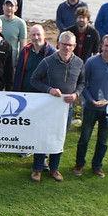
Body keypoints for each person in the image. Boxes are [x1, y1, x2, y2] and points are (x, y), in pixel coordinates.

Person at [29, 31, 85, 182]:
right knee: (43, 135)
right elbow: (34, 80)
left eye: (70, 45)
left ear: (74, 46)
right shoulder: (48, 61)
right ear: (58, 44)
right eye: (64, 44)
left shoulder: (79, 63)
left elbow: (82, 83)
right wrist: (49, 89)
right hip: (48, 107)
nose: (67, 48)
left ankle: (54, 168)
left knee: (59, 137)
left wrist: (76, 94)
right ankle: (37, 169)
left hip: (67, 108)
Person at [72, 35, 108, 178]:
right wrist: (91, 100)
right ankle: (79, 165)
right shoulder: (91, 62)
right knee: (84, 138)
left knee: (103, 140)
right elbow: (82, 84)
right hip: (91, 108)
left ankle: (97, 166)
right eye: (106, 45)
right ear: (101, 46)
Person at [13, 24, 56, 92]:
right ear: (30, 36)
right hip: (25, 93)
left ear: (44, 35)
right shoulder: (25, 51)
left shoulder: (52, 53)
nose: (36, 37)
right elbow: (18, 73)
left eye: (38, 34)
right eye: (33, 35)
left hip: (44, 94)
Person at [0, 0, 27, 65]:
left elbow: (23, 45)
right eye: (7, 5)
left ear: (16, 8)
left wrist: (20, 61)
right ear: (3, 7)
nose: (9, 8)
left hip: (12, 59)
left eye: (11, 5)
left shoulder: (21, 23)